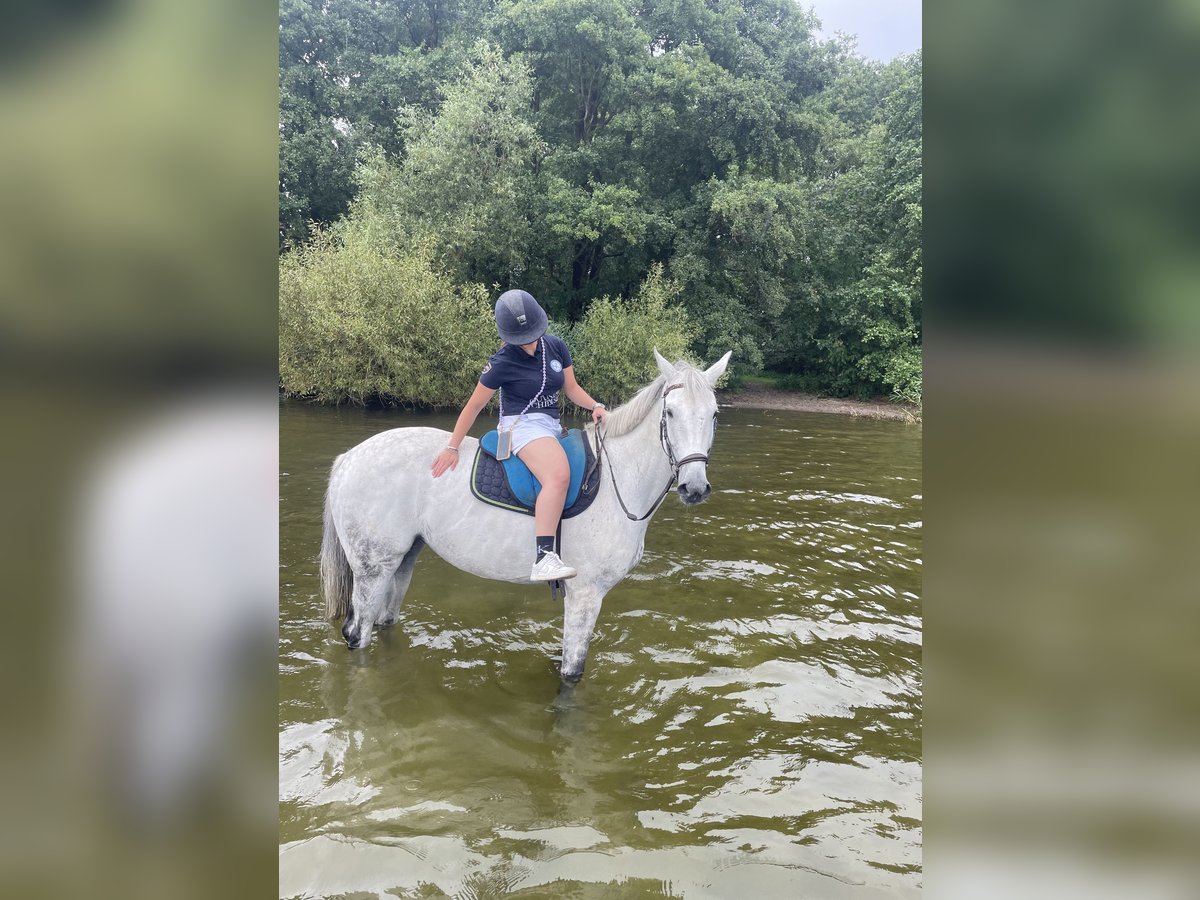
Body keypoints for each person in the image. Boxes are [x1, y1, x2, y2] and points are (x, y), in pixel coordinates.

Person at [431, 289, 608, 582]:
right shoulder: (501, 362)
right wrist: (452, 446)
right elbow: (474, 406)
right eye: (522, 337)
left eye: (533, 333)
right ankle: (543, 558)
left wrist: (596, 405)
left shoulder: (556, 347)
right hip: (521, 426)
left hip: (552, 424)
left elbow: (571, 388)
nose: (530, 341)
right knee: (558, 475)